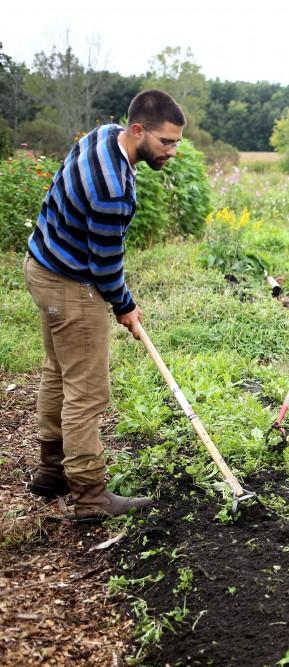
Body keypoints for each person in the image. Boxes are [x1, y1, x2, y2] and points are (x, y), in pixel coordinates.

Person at [24, 89, 186, 520]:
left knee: (58, 371)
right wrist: (124, 306)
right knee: (87, 391)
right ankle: (89, 494)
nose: (172, 151)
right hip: (69, 283)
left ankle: (51, 471)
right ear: (138, 130)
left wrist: (119, 301)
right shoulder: (111, 189)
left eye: (177, 142)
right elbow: (106, 263)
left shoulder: (103, 135)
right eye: (166, 142)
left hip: (42, 264)